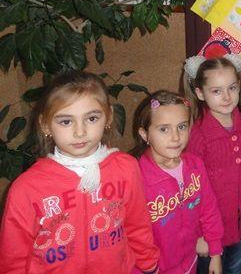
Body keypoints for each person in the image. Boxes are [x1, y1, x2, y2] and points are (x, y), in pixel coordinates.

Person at [0, 70, 159, 273]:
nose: (80, 132)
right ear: (45, 125)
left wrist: (148, 263)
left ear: (108, 117)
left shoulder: (126, 168)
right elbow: (13, 255)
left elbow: (137, 223)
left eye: (91, 118)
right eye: (66, 121)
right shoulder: (26, 188)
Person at [184, 55, 241, 274]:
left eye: (232, 88)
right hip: (210, 228)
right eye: (216, 91)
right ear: (200, 93)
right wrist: (200, 234)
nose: (226, 97)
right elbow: (192, 189)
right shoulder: (198, 134)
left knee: (234, 267)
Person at [133, 90, 223, 274]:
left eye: (181, 127)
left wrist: (215, 251)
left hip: (189, 262)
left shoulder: (195, 165)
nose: (175, 137)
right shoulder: (136, 177)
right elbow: (133, 233)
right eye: (164, 129)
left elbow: (209, 209)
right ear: (144, 134)